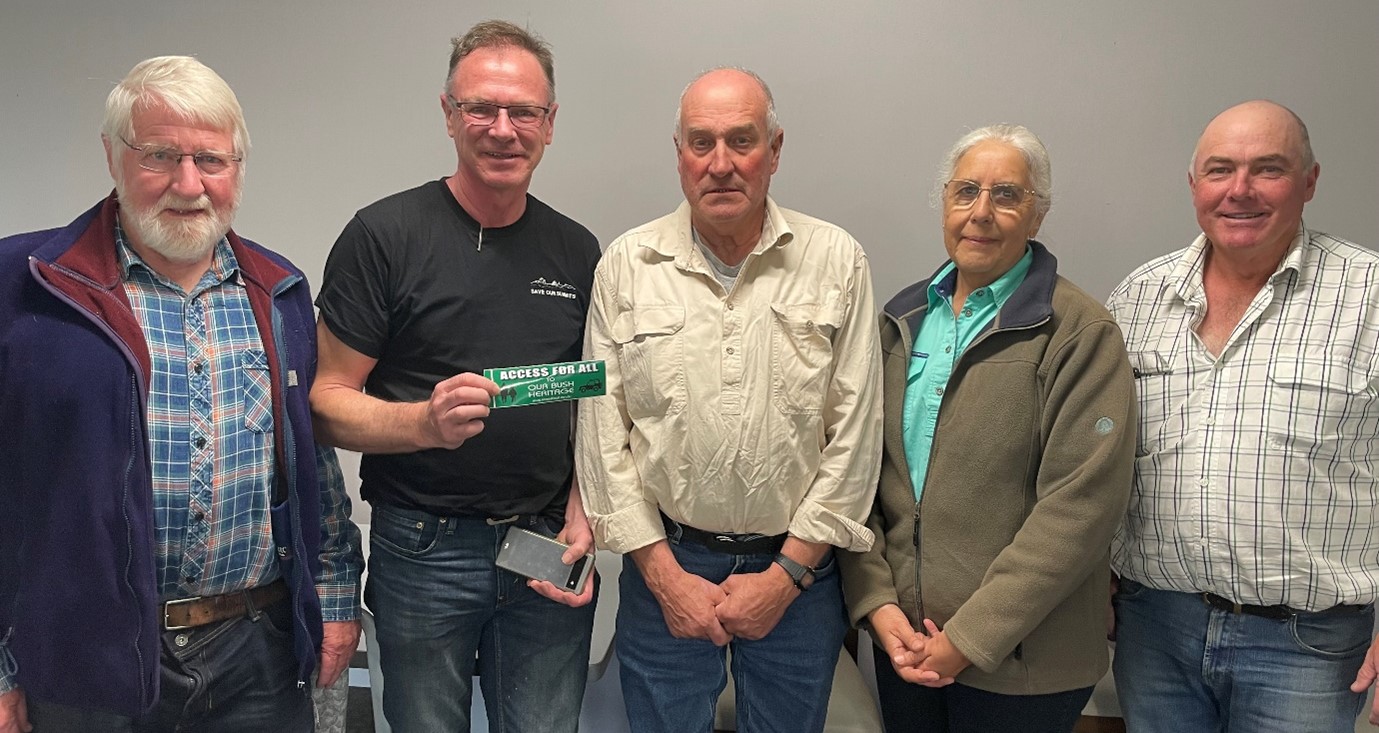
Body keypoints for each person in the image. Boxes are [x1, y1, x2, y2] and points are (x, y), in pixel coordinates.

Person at [0, 56, 361, 733]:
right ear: (112, 156)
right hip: (88, 654)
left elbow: (311, 463)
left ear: (239, 167)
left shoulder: (279, 291)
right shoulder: (28, 288)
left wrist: (335, 596)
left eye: (211, 160)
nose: (188, 184)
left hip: (256, 647)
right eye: (160, 156)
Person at [309, 19, 600, 733]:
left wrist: (587, 507)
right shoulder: (383, 236)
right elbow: (323, 402)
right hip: (422, 549)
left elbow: (595, 400)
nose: (502, 129)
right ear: (448, 114)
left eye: (522, 111)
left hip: (542, 547)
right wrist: (420, 421)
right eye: (481, 108)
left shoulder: (576, 248)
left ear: (549, 123)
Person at [575, 67, 883, 733]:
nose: (719, 164)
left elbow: (856, 436)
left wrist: (785, 577)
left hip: (797, 572)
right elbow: (601, 437)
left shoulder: (835, 261)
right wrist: (664, 578)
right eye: (700, 142)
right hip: (667, 563)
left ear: (773, 151)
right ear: (679, 154)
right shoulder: (627, 265)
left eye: (740, 141)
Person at [835, 124, 1135, 732]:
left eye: (1006, 195)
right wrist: (877, 606)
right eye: (966, 191)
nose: (981, 213)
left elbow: (1079, 510)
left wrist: (966, 640)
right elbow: (859, 474)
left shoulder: (1077, 332)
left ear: (1037, 214)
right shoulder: (902, 319)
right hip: (905, 646)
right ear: (944, 204)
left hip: (1025, 665)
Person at [1107, 99, 1379, 732]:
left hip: (1309, 646)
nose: (1240, 191)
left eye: (1269, 169)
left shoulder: (1368, 295)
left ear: (1310, 182)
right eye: (1220, 170)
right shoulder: (1138, 298)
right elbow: (1101, 461)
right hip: (1154, 631)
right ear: (1194, 183)